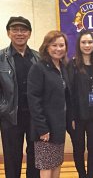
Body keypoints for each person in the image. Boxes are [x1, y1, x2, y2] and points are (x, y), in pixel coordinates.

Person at [27, 30, 71, 178]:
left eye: (61, 45)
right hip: (45, 128)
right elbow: (34, 100)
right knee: (46, 165)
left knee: (57, 163)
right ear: (46, 47)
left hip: (59, 126)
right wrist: (42, 128)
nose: (58, 48)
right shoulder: (38, 68)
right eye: (54, 45)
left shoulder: (62, 67)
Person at [0, 16, 40, 178]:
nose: (19, 33)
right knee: (12, 157)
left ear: (29, 34)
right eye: (15, 30)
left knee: (35, 157)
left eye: (23, 30)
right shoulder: (1, 58)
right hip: (10, 116)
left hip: (34, 116)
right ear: (8, 33)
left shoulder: (38, 58)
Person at [67, 30, 93, 178]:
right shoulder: (72, 64)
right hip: (77, 116)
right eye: (83, 42)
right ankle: (82, 175)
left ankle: (91, 175)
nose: (87, 45)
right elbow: (69, 93)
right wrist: (71, 117)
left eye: (90, 42)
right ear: (78, 44)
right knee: (78, 148)